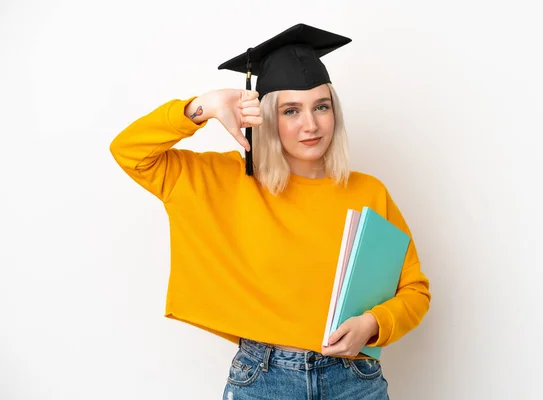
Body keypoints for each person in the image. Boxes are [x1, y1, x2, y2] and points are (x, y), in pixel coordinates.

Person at [110, 23, 431, 400]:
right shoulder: (222, 180)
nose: (310, 125)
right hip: (264, 380)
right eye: (291, 110)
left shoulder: (367, 192)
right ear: (265, 117)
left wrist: (373, 324)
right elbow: (129, 152)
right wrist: (203, 106)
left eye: (321, 107)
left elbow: (415, 291)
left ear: (334, 112)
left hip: (354, 380)